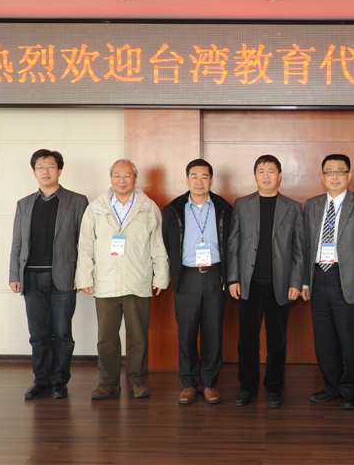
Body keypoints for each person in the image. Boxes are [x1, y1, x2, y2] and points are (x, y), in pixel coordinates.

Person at [75, 159, 169, 400]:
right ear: (111, 178)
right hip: (106, 282)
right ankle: (108, 383)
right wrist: (84, 276)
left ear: (135, 178)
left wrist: (161, 276)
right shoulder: (96, 208)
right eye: (117, 175)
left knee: (138, 337)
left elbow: (158, 244)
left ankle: (137, 381)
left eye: (127, 176)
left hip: (137, 281)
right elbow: (85, 246)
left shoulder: (148, 207)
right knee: (106, 338)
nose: (122, 180)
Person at [227, 155, 306, 408]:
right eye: (261, 171)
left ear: (279, 176)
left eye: (271, 171)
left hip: (280, 285)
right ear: (255, 176)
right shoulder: (242, 204)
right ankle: (247, 387)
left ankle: (274, 388)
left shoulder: (293, 207)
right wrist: (233, 278)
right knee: (247, 340)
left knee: (277, 341)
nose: (266, 175)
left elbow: (299, 249)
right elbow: (233, 244)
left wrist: (296, 282)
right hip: (248, 284)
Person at [9, 149, 88, 399]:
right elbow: (17, 242)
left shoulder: (77, 201)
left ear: (59, 170)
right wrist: (14, 274)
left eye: (51, 166)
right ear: (34, 172)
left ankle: (59, 380)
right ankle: (41, 379)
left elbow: (85, 243)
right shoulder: (24, 204)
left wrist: (83, 275)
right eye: (40, 167)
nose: (45, 171)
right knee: (38, 334)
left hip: (64, 276)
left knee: (62, 332)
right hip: (31, 278)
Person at [303, 154, 354, 410]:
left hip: (349, 280)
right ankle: (331, 387)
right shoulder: (312, 205)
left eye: (340, 171)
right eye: (329, 172)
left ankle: (352, 389)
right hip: (318, 277)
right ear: (322, 177)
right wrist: (305, 283)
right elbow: (305, 246)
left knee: (350, 340)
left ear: (349, 175)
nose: (334, 176)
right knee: (324, 340)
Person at [162, 159, 233, 405]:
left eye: (204, 176)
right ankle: (189, 384)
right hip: (187, 277)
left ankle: (210, 383)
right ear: (187, 180)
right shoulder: (173, 209)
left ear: (211, 180)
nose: (199, 181)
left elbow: (231, 244)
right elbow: (167, 243)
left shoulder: (224, 208)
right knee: (187, 333)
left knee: (214, 332)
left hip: (215, 276)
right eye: (194, 176)